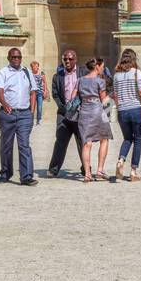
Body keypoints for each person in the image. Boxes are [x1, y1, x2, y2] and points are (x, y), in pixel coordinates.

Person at [0, 47, 38, 185]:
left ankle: (26, 176)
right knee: (6, 145)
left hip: (25, 114)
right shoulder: (3, 72)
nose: (16, 59)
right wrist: (4, 103)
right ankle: (5, 173)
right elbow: (0, 90)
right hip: (8, 113)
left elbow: (33, 92)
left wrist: (31, 112)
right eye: (13, 57)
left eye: (18, 57)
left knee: (24, 145)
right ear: (8, 58)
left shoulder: (27, 72)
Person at [47, 49, 84, 178]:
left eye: (70, 59)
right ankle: (53, 169)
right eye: (65, 59)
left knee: (82, 141)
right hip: (63, 113)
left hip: (80, 113)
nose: (67, 61)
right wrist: (63, 108)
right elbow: (55, 94)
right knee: (60, 141)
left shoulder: (83, 73)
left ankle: (86, 168)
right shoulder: (57, 77)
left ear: (76, 59)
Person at [111, 49, 141, 181]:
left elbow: (115, 95)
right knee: (137, 139)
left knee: (127, 138)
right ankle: (133, 171)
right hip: (135, 108)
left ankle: (120, 160)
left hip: (122, 111)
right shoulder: (137, 73)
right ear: (133, 59)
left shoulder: (116, 75)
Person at [78, 58, 112, 182]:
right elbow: (104, 101)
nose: (103, 68)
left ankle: (87, 174)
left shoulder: (80, 80)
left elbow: (73, 96)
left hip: (84, 112)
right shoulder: (100, 81)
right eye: (102, 66)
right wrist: (111, 96)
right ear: (97, 67)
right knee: (104, 139)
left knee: (87, 143)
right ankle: (99, 170)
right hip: (98, 112)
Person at [30, 61, 48, 125]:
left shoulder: (41, 73)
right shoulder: (30, 74)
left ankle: (38, 120)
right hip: (32, 93)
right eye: (35, 66)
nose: (37, 68)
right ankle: (31, 120)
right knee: (32, 107)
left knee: (39, 107)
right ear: (32, 67)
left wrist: (45, 91)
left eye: (38, 66)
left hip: (40, 92)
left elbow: (45, 82)